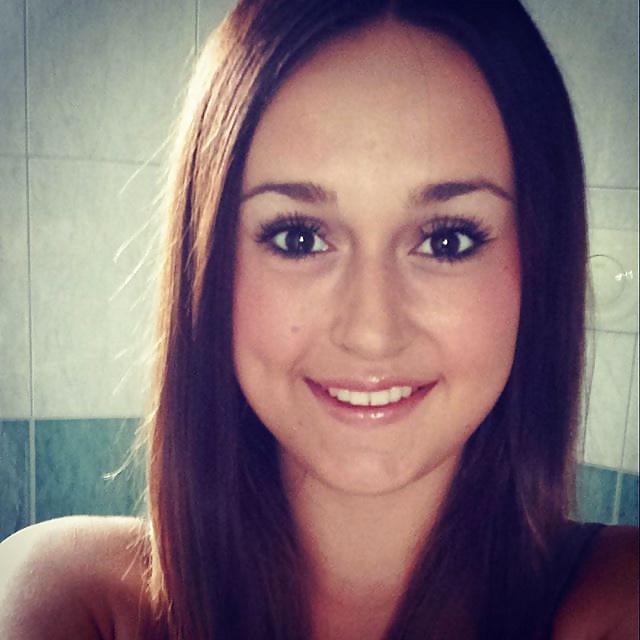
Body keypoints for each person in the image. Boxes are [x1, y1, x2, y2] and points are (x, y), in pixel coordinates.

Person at [0, 1, 637, 638]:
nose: (371, 331)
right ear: (209, 263)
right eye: (299, 238)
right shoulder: (67, 599)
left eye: (447, 240)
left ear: (540, 264)